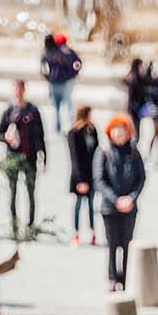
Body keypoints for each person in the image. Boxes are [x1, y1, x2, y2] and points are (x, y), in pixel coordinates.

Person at [93, 114, 146, 292]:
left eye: (122, 130)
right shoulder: (104, 151)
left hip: (130, 206)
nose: (119, 134)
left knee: (127, 242)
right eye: (116, 130)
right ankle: (112, 277)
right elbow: (99, 180)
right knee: (112, 242)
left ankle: (126, 276)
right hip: (110, 207)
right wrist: (115, 200)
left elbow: (141, 177)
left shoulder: (133, 151)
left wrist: (131, 197)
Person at [0, 79, 47, 241]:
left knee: (31, 192)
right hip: (13, 157)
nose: (18, 92)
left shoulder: (32, 111)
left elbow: (40, 135)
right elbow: (0, 133)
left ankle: (30, 225)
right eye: (15, 89)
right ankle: (14, 225)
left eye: (20, 89)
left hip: (29, 157)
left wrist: (43, 156)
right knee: (12, 192)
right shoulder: (9, 111)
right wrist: (7, 138)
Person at [66, 103, 98, 247]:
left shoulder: (91, 131)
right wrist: (80, 180)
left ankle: (92, 232)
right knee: (78, 205)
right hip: (79, 175)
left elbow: (96, 151)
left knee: (91, 205)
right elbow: (75, 157)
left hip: (91, 174)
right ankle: (76, 233)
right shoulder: (74, 133)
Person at [40, 31, 81, 134]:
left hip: (59, 82)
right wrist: (73, 74)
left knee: (61, 106)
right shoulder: (62, 51)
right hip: (61, 81)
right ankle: (65, 127)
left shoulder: (51, 52)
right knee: (64, 105)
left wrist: (48, 77)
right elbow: (77, 63)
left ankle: (63, 127)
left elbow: (43, 67)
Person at [123, 55, 147, 138]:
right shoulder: (135, 80)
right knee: (135, 133)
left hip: (135, 108)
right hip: (135, 109)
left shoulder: (138, 78)